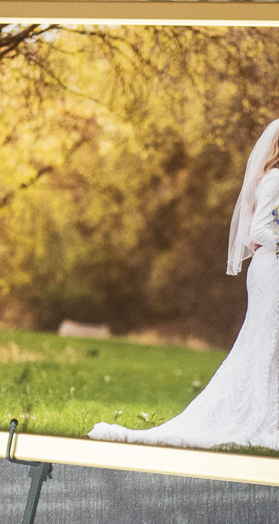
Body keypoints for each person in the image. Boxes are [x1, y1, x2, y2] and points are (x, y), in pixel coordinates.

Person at [92, 118, 279, 451]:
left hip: (271, 265)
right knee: (264, 341)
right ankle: (256, 416)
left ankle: (268, 413)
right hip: (271, 270)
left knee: (267, 343)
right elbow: (259, 231)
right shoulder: (275, 177)